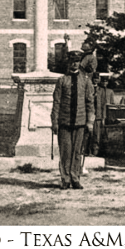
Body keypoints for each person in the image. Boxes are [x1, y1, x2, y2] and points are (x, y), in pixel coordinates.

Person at [51, 53, 96, 190]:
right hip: (64, 122)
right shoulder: (62, 80)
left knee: (77, 152)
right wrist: (54, 122)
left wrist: (90, 122)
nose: (74, 64)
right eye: (72, 61)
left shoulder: (86, 81)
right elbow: (56, 102)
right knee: (66, 152)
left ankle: (75, 178)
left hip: (80, 122)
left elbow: (90, 103)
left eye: (77, 61)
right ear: (68, 63)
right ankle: (65, 179)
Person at [91, 76, 115, 156]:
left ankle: (102, 151)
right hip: (93, 115)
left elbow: (106, 104)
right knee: (93, 134)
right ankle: (91, 151)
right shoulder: (92, 89)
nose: (96, 80)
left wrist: (104, 116)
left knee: (103, 134)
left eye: (106, 81)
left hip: (102, 115)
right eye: (95, 78)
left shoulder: (106, 91)